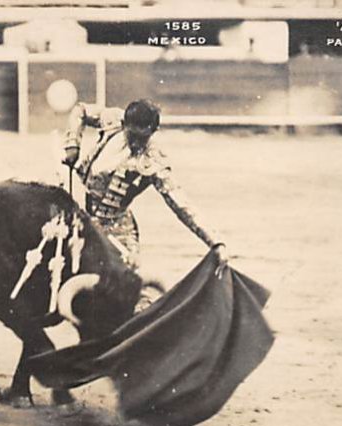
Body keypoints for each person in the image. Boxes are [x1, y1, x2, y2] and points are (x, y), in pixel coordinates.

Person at [61, 99, 228, 289]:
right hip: (76, 209)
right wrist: (72, 143)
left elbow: (181, 203)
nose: (137, 143)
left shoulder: (153, 160)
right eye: (133, 136)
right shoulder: (113, 120)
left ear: (153, 131)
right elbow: (80, 110)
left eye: (143, 138)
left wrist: (215, 242)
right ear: (124, 124)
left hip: (113, 227)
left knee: (120, 287)